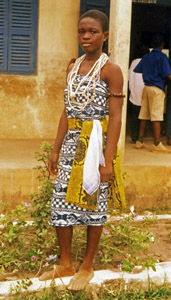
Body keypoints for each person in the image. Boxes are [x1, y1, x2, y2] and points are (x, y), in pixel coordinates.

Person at [39, 9, 126, 290]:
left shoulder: (110, 71)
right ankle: (66, 263)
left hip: (95, 146)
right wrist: (55, 149)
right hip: (70, 144)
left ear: (105, 36)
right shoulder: (72, 66)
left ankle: (87, 265)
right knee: (60, 202)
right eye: (81, 31)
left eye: (92, 32)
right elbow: (67, 109)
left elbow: (115, 117)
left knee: (93, 204)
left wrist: (108, 160)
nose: (86, 36)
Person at [134, 34, 171, 152]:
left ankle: (139, 141)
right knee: (157, 117)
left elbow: (137, 69)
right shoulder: (162, 57)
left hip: (147, 87)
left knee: (144, 115)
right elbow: (167, 74)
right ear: (162, 45)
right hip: (157, 89)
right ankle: (156, 143)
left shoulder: (146, 57)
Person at [128, 46, 149, 143]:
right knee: (143, 115)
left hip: (134, 91)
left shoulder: (134, 62)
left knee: (135, 116)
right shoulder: (148, 62)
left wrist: (131, 90)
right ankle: (141, 136)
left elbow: (130, 77)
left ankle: (134, 136)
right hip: (144, 90)